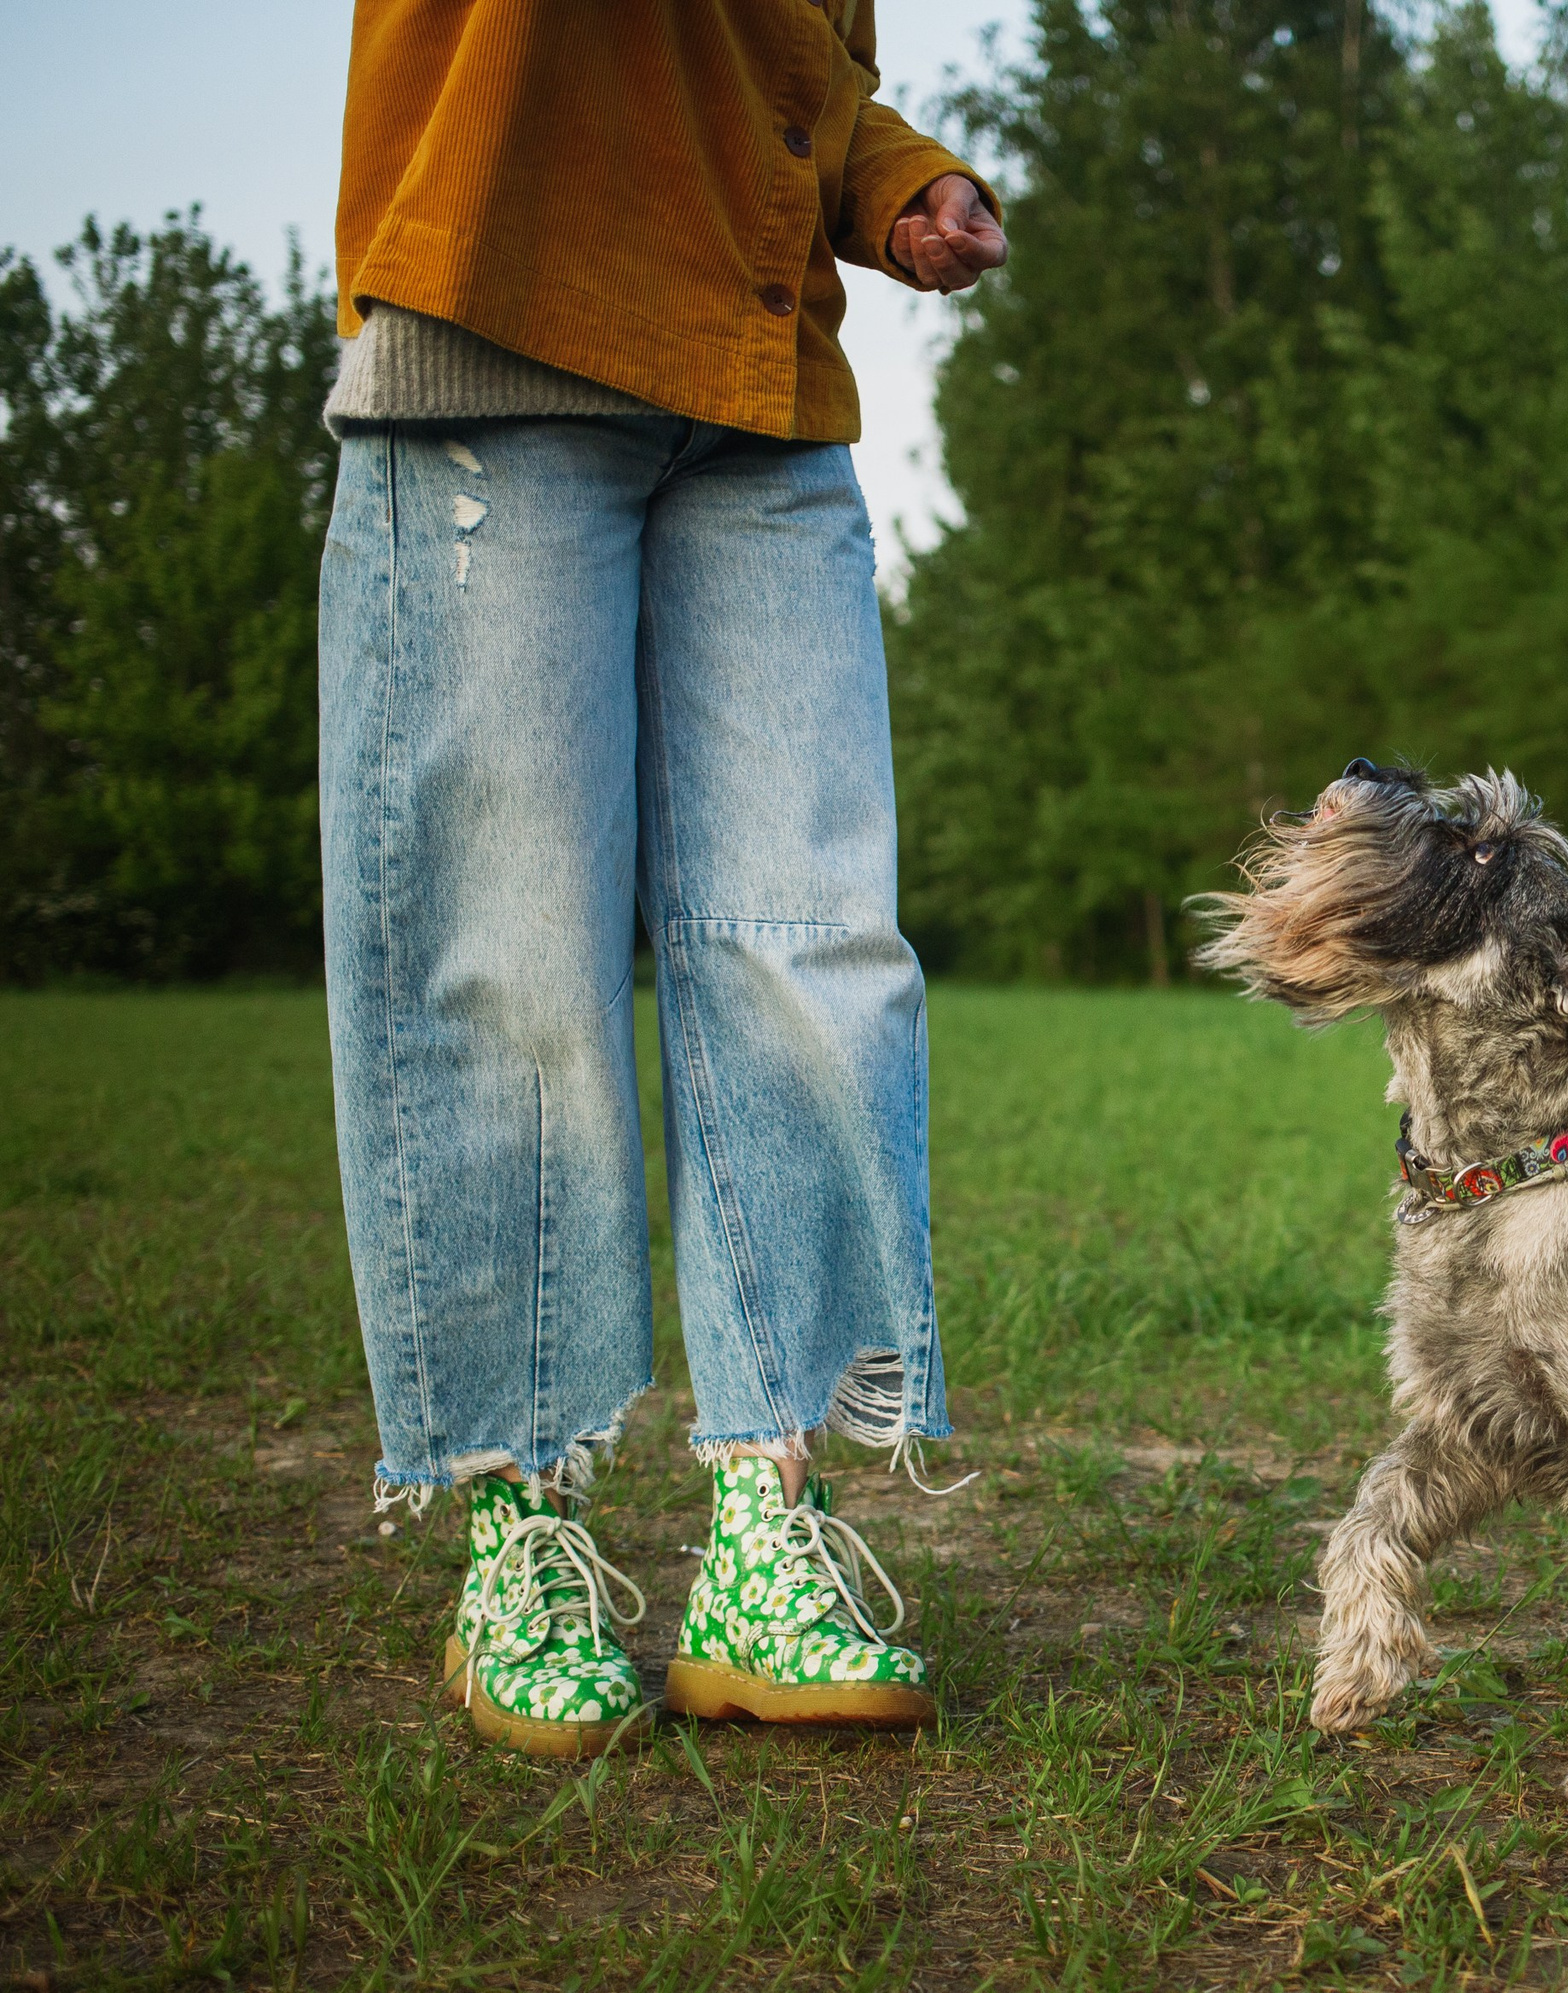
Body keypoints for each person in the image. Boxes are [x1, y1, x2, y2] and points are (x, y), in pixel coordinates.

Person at [319, 1, 1005, 1758]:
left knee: (815, 947)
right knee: (509, 955)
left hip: (760, 394)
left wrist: (893, 177)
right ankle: (518, 1525)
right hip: (505, 318)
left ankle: (767, 1525)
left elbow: (780, 67)